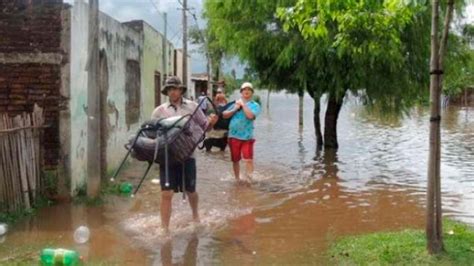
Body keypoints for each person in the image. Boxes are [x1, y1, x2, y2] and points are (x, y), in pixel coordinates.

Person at [151, 76, 218, 234]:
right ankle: (164, 228)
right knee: (166, 193)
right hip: (167, 157)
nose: (173, 92)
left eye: (175, 89)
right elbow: (153, 133)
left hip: (188, 155)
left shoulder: (193, 107)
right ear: (166, 91)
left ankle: (195, 215)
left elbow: (204, 127)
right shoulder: (159, 111)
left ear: (181, 90)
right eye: (170, 89)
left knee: (191, 190)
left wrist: (212, 123)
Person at [222, 82, 261, 184]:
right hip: (233, 135)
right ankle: (237, 179)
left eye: (249, 89)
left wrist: (243, 105)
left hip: (247, 137)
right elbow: (224, 115)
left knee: (248, 159)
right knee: (235, 160)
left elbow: (250, 116)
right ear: (241, 92)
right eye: (244, 89)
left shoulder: (255, 105)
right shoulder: (235, 104)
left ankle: (249, 179)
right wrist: (235, 108)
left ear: (252, 93)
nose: (246, 91)